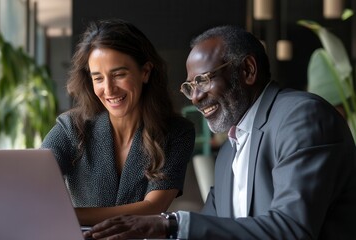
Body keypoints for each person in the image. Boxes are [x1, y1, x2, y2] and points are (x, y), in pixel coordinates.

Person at [83, 25, 356, 239]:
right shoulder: (229, 151)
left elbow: (292, 229)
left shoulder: (300, 117)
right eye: (190, 87)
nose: (195, 97)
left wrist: (169, 223)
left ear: (248, 70)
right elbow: (211, 229)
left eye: (202, 80)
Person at [40, 19, 195, 226]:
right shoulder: (70, 127)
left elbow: (152, 208)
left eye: (119, 74)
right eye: (98, 78)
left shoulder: (177, 132)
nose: (109, 89)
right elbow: (35, 183)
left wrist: (65, 215)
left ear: (145, 72)